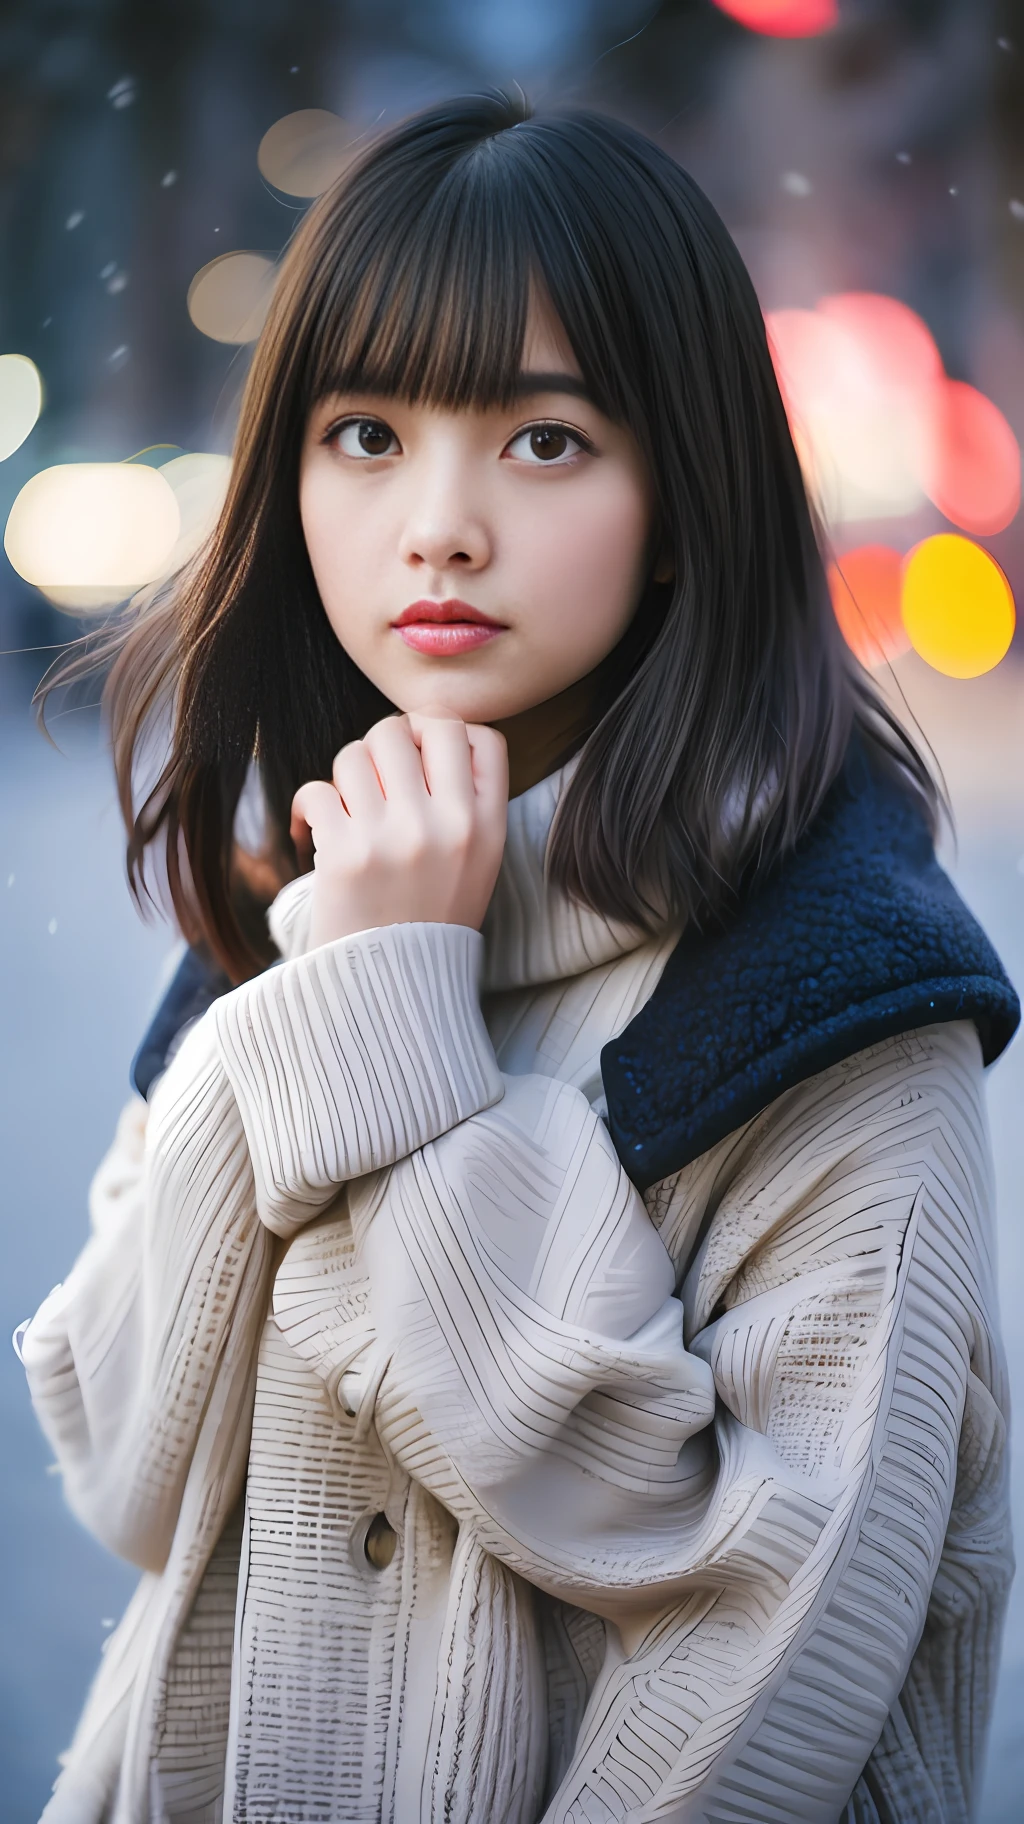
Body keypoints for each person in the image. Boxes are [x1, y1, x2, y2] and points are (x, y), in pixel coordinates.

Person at [19, 91, 1018, 1824]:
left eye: (543, 440)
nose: (440, 526)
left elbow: (762, 1659)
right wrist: (339, 982)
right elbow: (120, 1456)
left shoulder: (837, 993)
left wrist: (402, 1054)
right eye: (366, 434)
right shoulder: (292, 902)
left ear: (682, 481)